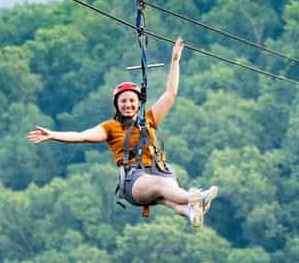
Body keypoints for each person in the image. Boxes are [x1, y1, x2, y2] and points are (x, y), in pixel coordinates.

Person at [27, 37, 218, 226]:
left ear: (138, 103)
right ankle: (196, 198)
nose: (128, 104)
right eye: (123, 101)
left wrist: (175, 60)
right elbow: (82, 136)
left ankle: (188, 211)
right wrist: (53, 135)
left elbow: (170, 94)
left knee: (166, 192)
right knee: (161, 186)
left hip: (158, 170)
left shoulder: (149, 119)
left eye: (131, 100)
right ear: (117, 105)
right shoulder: (110, 127)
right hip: (134, 180)